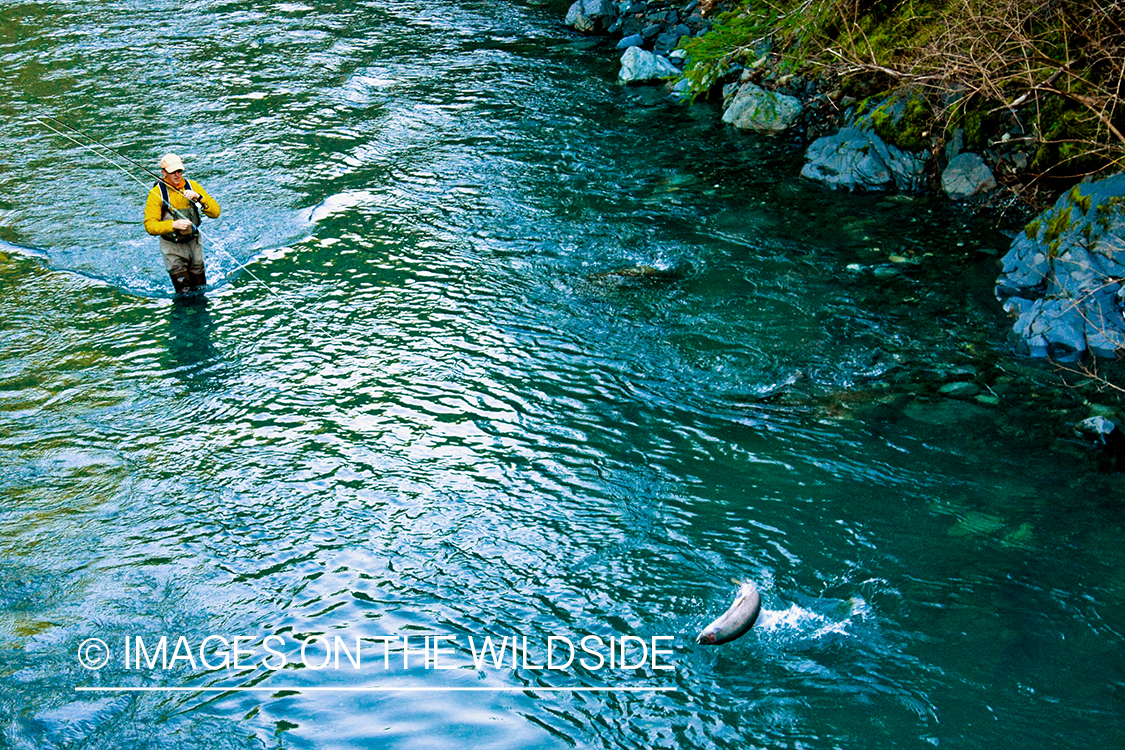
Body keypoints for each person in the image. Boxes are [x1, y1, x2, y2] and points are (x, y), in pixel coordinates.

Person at [143, 153, 220, 294]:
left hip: (194, 244)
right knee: (184, 292)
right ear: (164, 173)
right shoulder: (156, 194)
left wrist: (199, 198)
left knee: (200, 288)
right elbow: (150, 226)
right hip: (172, 248)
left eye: (179, 171)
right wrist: (173, 225)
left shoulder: (193, 186)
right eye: (173, 172)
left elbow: (216, 213)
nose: (177, 175)